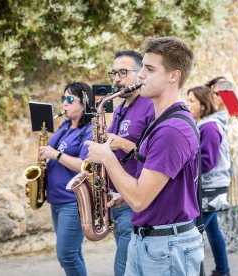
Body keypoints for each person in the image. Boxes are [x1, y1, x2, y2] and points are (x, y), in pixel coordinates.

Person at [84, 37, 204, 275]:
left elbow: (140, 199)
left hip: (165, 247)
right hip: (152, 242)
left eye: (149, 69)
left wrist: (107, 157)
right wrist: (125, 197)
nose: (140, 76)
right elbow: (150, 191)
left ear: (174, 76)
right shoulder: (162, 123)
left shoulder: (171, 130)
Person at [106, 50, 154, 276]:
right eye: (114, 73)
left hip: (135, 201)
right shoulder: (119, 108)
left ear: (140, 74)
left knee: (123, 270)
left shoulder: (150, 105)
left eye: (123, 72)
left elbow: (155, 155)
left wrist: (123, 144)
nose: (117, 78)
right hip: (117, 200)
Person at [39, 81, 95, 276]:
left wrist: (55, 155)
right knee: (73, 253)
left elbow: (84, 165)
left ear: (84, 103)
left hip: (73, 201)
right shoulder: (64, 126)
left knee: (66, 255)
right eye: (63, 99)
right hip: (56, 199)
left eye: (70, 99)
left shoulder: (89, 130)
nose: (64, 103)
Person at [186, 85, 231, 276]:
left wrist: (183, 166)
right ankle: (223, 270)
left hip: (211, 188)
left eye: (191, 101)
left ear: (203, 105)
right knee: (213, 231)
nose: (186, 104)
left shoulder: (210, 127)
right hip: (210, 186)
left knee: (193, 236)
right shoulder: (203, 124)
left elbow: (207, 162)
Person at [207, 77, 238, 253]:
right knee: (220, 207)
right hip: (218, 167)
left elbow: (232, 143)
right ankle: (232, 234)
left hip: (231, 167)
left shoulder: (236, 114)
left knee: (231, 206)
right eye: (213, 93)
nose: (214, 97)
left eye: (217, 94)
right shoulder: (213, 113)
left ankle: (231, 239)